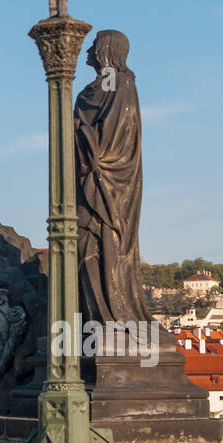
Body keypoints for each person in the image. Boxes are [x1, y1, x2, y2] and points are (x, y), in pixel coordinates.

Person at [74, 30, 151, 325]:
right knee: (84, 246)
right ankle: (95, 318)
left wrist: (79, 131)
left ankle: (109, 317)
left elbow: (110, 140)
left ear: (106, 49)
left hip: (105, 182)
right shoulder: (110, 84)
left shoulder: (118, 83)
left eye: (93, 45)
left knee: (94, 243)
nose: (88, 51)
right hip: (97, 179)